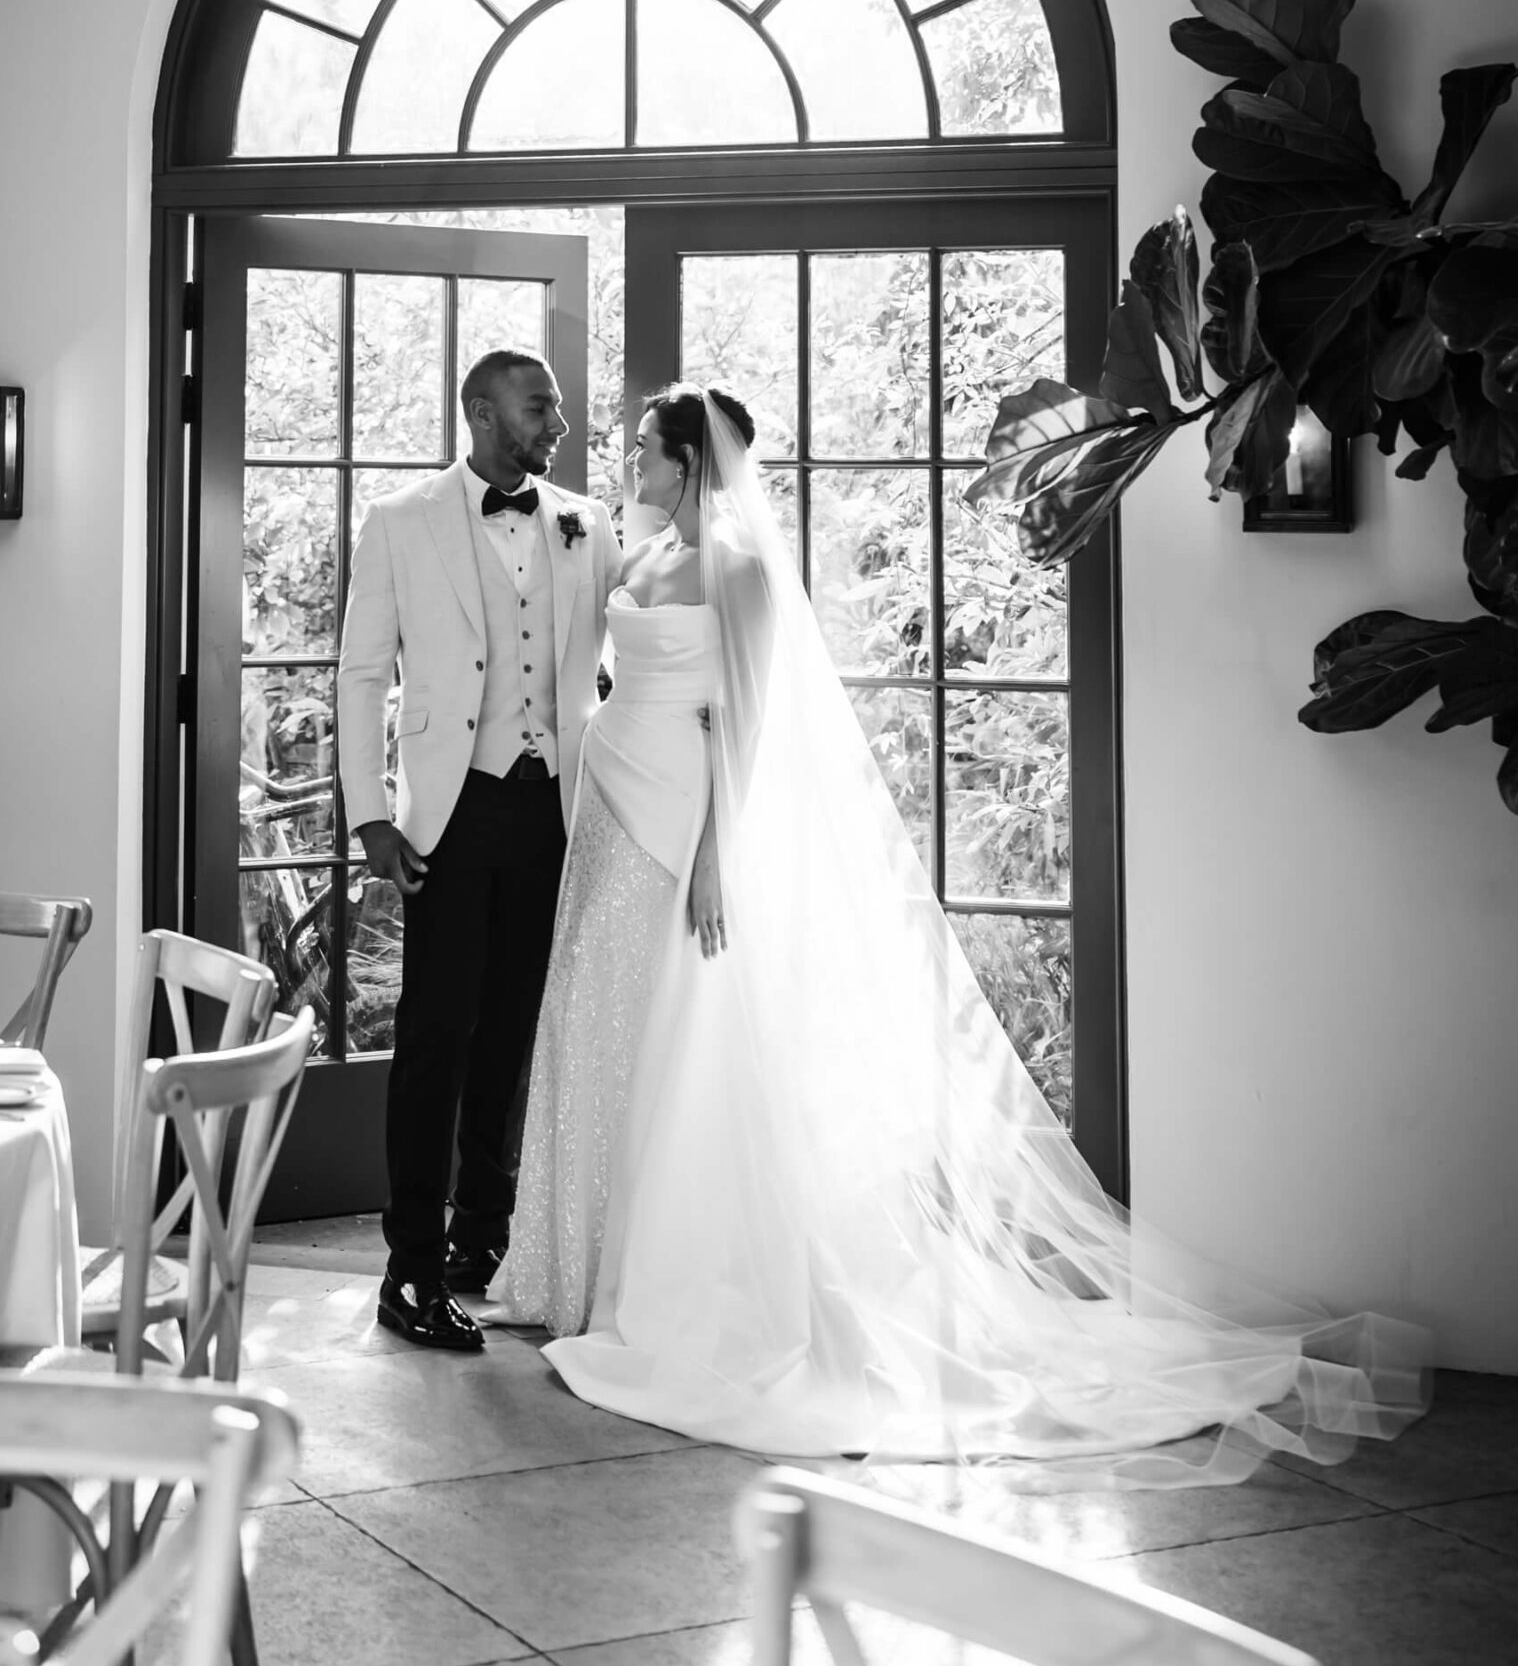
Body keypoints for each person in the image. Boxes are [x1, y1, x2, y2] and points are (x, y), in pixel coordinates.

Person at [493, 384, 1429, 1484]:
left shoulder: (740, 570)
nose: (628, 459)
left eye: (646, 447)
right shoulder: (637, 550)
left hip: (678, 820)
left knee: (671, 1050)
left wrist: (712, 853)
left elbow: (748, 721)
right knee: (597, 1029)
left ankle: (656, 1282)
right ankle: (566, 1263)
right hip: (611, 805)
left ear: (692, 463)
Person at [336, 348, 622, 1352]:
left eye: (554, 408)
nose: (558, 424)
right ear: (480, 410)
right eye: (540, 406)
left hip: (557, 813)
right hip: (450, 816)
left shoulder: (589, 523)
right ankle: (406, 1269)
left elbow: (606, 672)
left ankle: (483, 1242)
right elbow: (364, 674)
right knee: (434, 1041)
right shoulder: (401, 522)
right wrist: (370, 813)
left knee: (513, 1036)